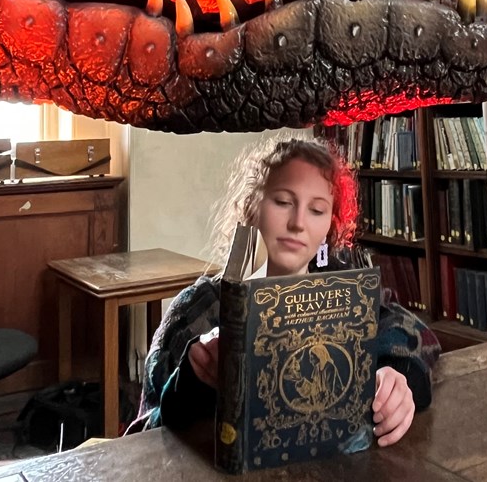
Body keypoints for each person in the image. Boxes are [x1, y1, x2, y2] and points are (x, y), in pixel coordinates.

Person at [127, 136, 439, 446]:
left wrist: (397, 376)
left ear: (329, 227)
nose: (298, 223)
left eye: (316, 210)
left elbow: (416, 333)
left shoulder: (347, 291)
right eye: (283, 202)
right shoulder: (199, 308)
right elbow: (140, 436)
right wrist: (192, 384)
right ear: (251, 207)